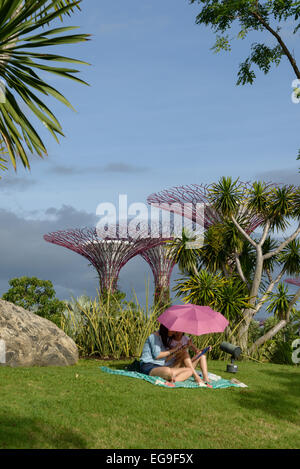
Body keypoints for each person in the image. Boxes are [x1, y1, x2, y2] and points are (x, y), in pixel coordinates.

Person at [140, 324, 211, 386]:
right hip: (149, 365)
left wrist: (184, 348)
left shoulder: (164, 338)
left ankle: (173, 381)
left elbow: (165, 359)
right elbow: (157, 355)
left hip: (162, 365)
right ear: (166, 328)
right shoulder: (154, 336)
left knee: (190, 370)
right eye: (173, 330)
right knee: (167, 371)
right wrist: (174, 350)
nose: (175, 332)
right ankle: (171, 376)